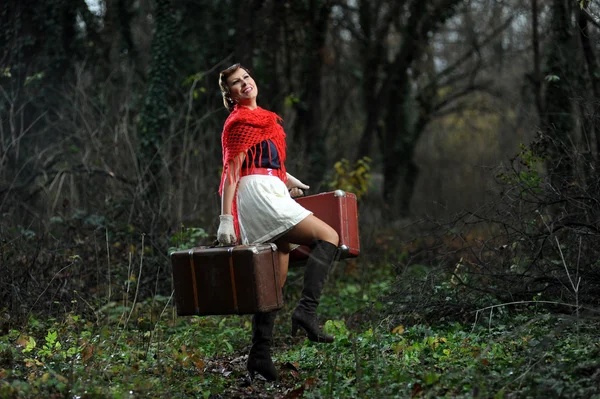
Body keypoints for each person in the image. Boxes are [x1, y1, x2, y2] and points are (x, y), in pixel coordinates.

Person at [216, 63, 339, 382]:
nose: (244, 84)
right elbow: (233, 169)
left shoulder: (266, 119)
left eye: (246, 77)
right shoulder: (238, 122)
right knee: (329, 236)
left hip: (272, 189)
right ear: (229, 95)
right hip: (255, 194)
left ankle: (259, 355)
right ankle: (307, 312)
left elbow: (268, 162)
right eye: (235, 83)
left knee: (274, 281)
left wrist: (286, 179)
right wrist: (226, 218)